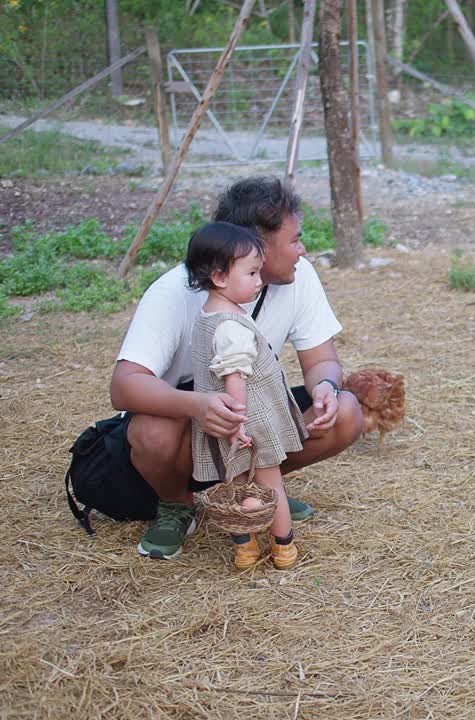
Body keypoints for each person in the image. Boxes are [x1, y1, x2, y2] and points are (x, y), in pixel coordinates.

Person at [110, 176, 362, 560]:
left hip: (250, 414)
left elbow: (322, 360)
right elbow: (124, 387)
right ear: (255, 249)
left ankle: (261, 493)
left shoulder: (300, 277)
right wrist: (199, 406)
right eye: (294, 240)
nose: (303, 250)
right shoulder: (174, 291)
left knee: (344, 412)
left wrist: (325, 385)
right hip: (186, 425)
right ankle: (178, 503)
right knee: (152, 429)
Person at [186, 222, 307, 570]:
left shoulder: (208, 315)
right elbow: (234, 376)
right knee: (270, 486)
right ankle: (284, 547)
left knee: (236, 486)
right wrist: (238, 422)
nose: (259, 280)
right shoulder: (230, 326)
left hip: (222, 422)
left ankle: (246, 548)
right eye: (252, 272)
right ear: (220, 276)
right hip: (248, 422)